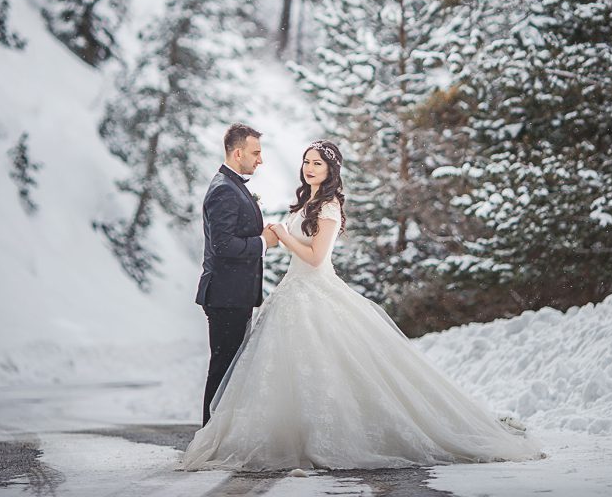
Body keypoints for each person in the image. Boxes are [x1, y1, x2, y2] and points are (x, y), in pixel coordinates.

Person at [182, 140, 546, 471]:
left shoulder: (328, 205)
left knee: (333, 366)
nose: (310, 168)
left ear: (330, 171)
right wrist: (276, 237)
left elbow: (314, 257)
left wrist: (282, 236)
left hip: (314, 290)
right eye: (307, 162)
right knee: (291, 371)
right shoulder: (307, 201)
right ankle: (294, 431)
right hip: (290, 293)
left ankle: (342, 434)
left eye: (318, 164)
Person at [194, 122, 278, 427]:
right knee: (223, 370)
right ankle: (209, 436)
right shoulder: (224, 191)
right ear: (238, 152)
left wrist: (260, 235)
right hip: (225, 295)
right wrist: (262, 243)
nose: (260, 159)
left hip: (234, 294)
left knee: (230, 370)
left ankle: (218, 435)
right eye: (256, 153)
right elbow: (223, 245)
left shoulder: (233, 186)